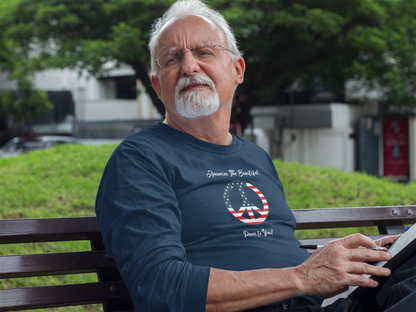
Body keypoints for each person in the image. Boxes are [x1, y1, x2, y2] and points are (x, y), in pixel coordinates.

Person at [95, 1, 416, 311]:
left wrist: (352, 261)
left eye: (204, 51)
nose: (190, 66)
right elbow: (161, 289)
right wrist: (303, 277)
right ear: (157, 86)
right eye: (172, 59)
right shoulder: (139, 161)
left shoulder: (255, 157)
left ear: (237, 70)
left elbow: (275, 258)